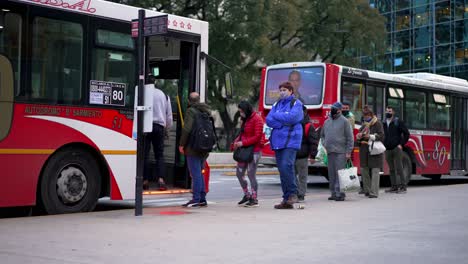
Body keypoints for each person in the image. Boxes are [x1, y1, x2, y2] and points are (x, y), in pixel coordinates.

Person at [266, 81, 304, 209]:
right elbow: (269, 120)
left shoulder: (296, 104)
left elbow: (293, 118)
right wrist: (282, 122)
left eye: (284, 90)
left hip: (291, 140)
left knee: (286, 165)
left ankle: (293, 193)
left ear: (291, 91)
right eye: (280, 90)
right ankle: (286, 198)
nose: (282, 92)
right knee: (282, 170)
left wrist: (277, 117)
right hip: (278, 141)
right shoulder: (276, 104)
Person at [179, 92, 212, 207]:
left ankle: (196, 199)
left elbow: (187, 129)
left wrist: (182, 144)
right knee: (200, 173)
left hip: (193, 146)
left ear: (189, 101)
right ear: (198, 100)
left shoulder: (191, 111)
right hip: (204, 146)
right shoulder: (205, 111)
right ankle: (202, 198)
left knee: (195, 173)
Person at [232, 100, 264, 207]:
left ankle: (254, 198)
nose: (241, 113)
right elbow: (242, 134)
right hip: (244, 150)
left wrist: (243, 143)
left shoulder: (257, 119)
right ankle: (247, 194)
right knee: (239, 174)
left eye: (242, 111)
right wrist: (236, 142)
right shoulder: (244, 120)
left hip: (254, 151)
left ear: (247, 110)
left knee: (251, 174)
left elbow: (257, 136)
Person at [143, 76, 173, 191]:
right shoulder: (164, 95)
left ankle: (145, 181)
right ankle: (161, 180)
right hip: (159, 127)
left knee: (144, 155)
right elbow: (168, 115)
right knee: (159, 154)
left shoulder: (143, 94)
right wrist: (167, 129)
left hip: (146, 126)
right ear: (155, 83)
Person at [320, 102, 354, 201]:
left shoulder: (345, 121)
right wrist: (324, 143)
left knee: (340, 174)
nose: (332, 109)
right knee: (331, 173)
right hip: (330, 151)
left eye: (334, 108)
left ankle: (340, 194)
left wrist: (348, 152)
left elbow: (350, 138)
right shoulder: (327, 121)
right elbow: (322, 135)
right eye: (332, 108)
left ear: (339, 110)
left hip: (341, 152)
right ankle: (333, 193)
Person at [356, 106, 385, 198]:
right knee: (364, 170)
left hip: (374, 150)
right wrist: (359, 135)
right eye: (364, 115)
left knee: (375, 171)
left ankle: (374, 192)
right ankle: (367, 190)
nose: (365, 117)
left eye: (367, 115)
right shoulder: (364, 124)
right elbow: (359, 135)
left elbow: (381, 136)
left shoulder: (378, 123)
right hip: (364, 150)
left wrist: (371, 136)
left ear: (371, 115)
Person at [383, 106, 410, 194]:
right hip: (387, 149)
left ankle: (403, 187)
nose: (388, 112)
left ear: (393, 112)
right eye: (387, 111)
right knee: (391, 169)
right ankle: (394, 187)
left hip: (396, 148)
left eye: (390, 111)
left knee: (399, 167)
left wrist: (401, 144)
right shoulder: (384, 122)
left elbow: (406, 133)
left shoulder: (398, 121)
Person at [295, 105, 319, 202]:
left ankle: (301, 194)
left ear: (305, 112)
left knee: (302, 176)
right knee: (292, 175)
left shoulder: (309, 126)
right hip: (293, 154)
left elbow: (313, 142)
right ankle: (296, 192)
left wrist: (313, 156)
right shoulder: (294, 123)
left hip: (302, 155)